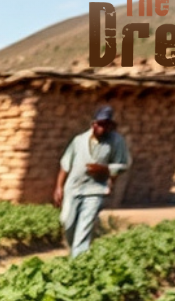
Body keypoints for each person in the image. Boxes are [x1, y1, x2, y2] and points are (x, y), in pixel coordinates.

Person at [54, 105, 131, 258]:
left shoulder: (116, 141)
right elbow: (65, 164)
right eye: (100, 124)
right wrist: (59, 187)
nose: (103, 128)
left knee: (85, 225)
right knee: (67, 223)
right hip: (73, 188)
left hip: (95, 189)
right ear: (93, 124)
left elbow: (123, 164)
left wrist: (105, 169)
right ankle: (73, 251)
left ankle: (78, 260)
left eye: (107, 125)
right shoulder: (79, 141)